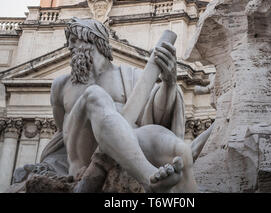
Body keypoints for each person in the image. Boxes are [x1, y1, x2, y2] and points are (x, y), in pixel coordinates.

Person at [49, 17, 198, 193]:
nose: (69, 47)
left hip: (130, 145)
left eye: (74, 40)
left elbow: (156, 116)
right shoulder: (61, 85)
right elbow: (61, 136)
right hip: (85, 157)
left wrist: (169, 83)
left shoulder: (130, 75)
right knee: (94, 95)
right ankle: (148, 176)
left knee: (179, 149)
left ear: (93, 39)